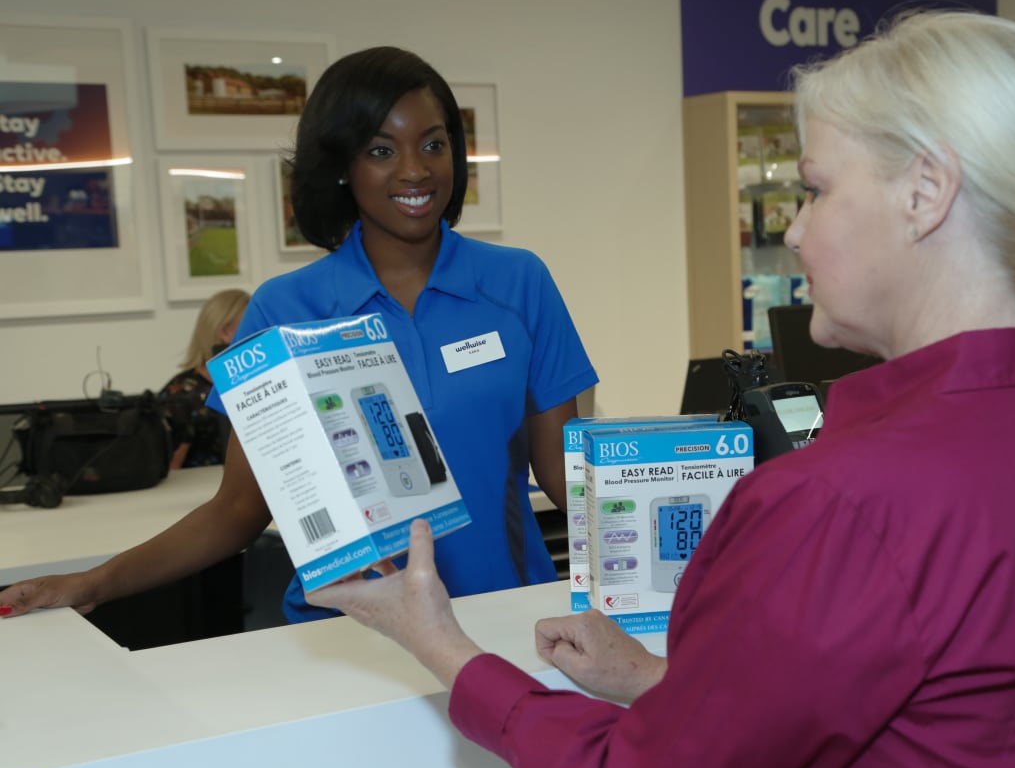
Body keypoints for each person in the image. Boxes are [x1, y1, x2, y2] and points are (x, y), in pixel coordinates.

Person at [304, 11, 1015, 768]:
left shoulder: (838, 501)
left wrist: (441, 648)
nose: (795, 228)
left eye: (817, 189)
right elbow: (922, 713)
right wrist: (663, 682)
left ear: (926, 192)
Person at [0, 46, 596, 624]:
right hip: (352, 637)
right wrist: (94, 583)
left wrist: (678, 540)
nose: (415, 169)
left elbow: (564, 479)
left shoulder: (519, 284)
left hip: (506, 620)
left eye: (434, 144)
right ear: (341, 167)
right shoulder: (286, 311)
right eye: (381, 149)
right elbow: (237, 510)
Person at [158, 288, 250, 470]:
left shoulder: (251, 384)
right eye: (251, 325)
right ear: (225, 332)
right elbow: (169, 471)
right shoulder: (182, 395)